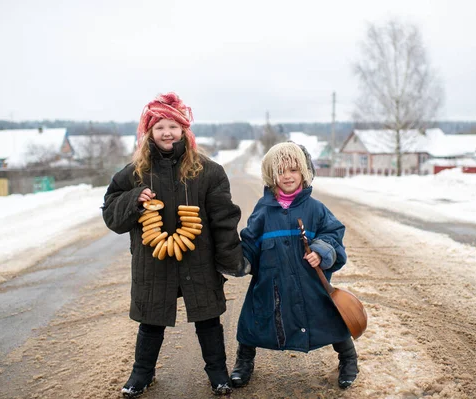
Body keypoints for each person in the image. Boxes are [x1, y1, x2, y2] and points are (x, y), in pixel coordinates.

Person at [102, 92, 245, 397]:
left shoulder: (208, 171)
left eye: (173, 126)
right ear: (149, 133)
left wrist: (231, 258)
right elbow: (111, 214)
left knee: (208, 318)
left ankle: (218, 374)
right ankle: (141, 375)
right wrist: (133, 199)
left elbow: (224, 219)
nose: (167, 133)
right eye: (159, 127)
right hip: (153, 260)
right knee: (151, 320)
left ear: (184, 130)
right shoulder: (134, 174)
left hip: (199, 259)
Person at [230, 142, 359, 389]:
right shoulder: (263, 210)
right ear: (271, 175)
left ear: (304, 172)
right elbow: (250, 241)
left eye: (293, 170)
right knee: (251, 322)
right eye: (280, 171)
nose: (287, 176)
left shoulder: (315, 208)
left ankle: (348, 360)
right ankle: (243, 362)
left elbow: (334, 235)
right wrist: (239, 260)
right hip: (271, 283)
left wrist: (321, 251)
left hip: (310, 284)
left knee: (332, 319)